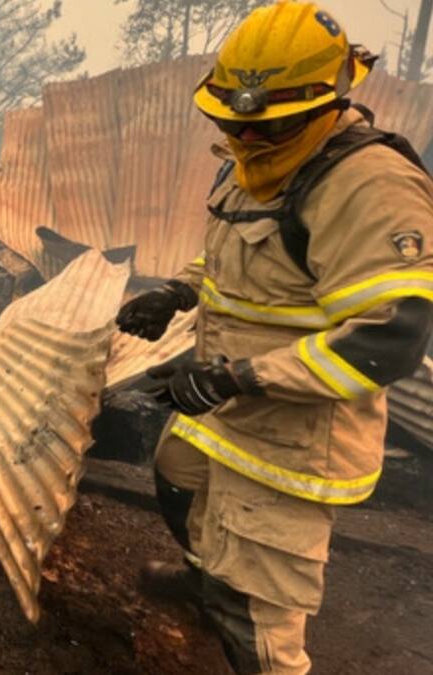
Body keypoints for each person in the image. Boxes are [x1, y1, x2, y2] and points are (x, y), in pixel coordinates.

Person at [117, 3, 433, 673]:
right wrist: (176, 291)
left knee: (259, 616)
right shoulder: (253, 160)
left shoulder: (369, 184)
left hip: (291, 434)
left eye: (262, 126)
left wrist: (238, 378)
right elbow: (236, 255)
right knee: (176, 476)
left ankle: (236, 609)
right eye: (231, 123)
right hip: (226, 406)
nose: (244, 139)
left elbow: (391, 336)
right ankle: (207, 583)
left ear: (327, 101)